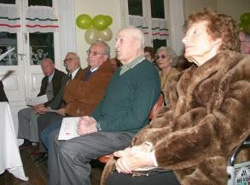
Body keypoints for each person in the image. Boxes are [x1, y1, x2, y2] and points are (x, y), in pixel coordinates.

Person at [102, 8, 250, 185]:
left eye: (194, 33)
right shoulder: (182, 79)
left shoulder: (242, 69)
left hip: (216, 163)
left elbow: (221, 130)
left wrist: (154, 158)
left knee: (125, 181)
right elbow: (165, 119)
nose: (184, 39)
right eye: (186, 33)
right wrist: (144, 146)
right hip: (177, 156)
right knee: (117, 173)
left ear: (218, 38)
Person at [48, 27, 160, 185]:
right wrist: (90, 118)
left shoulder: (147, 72)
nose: (116, 45)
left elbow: (136, 119)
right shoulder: (120, 71)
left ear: (136, 44)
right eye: (116, 40)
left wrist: (97, 126)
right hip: (107, 128)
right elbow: (105, 102)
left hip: (127, 133)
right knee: (55, 137)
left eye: (121, 40)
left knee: (70, 149)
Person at [33, 52, 82, 162]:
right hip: (62, 109)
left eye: (70, 59)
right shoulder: (66, 78)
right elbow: (60, 96)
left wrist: (66, 110)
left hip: (75, 113)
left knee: (50, 123)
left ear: (78, 61)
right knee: (42, 118)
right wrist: (47, 108)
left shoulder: (83, 75)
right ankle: (46, 152)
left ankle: (58, 157)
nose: (67, 62)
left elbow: (82, 99)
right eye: (65, 61)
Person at [18, 58, 66, 148]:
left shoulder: (61, 77)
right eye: (43, 68)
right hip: (43, 104)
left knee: (34, 114)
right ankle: (27, 140)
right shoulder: (45, 79)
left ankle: (37, 143)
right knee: (22, 113)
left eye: (47, 66)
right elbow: (41, 94)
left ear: (53, 65)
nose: (45, 69)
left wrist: (44, 105)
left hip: (53, 106)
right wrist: (35, 102)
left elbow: (58, 98)